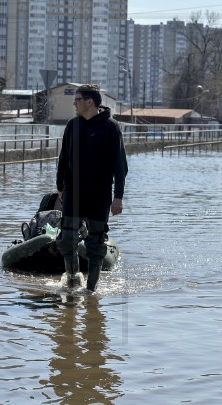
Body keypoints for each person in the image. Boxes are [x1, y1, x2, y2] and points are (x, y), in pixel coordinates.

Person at [55, 84, 128, 291]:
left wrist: (118, 197)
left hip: (99, 195)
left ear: (90, 102)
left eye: (77, 99)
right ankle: (73, 280)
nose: (74, 103)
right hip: (73, 193)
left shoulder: (111, 128)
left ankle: (91, 290)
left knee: (95, 246)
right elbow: (64, 158)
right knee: (66, 240)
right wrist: (60, 185)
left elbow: (120, 166)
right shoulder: (72, 125)